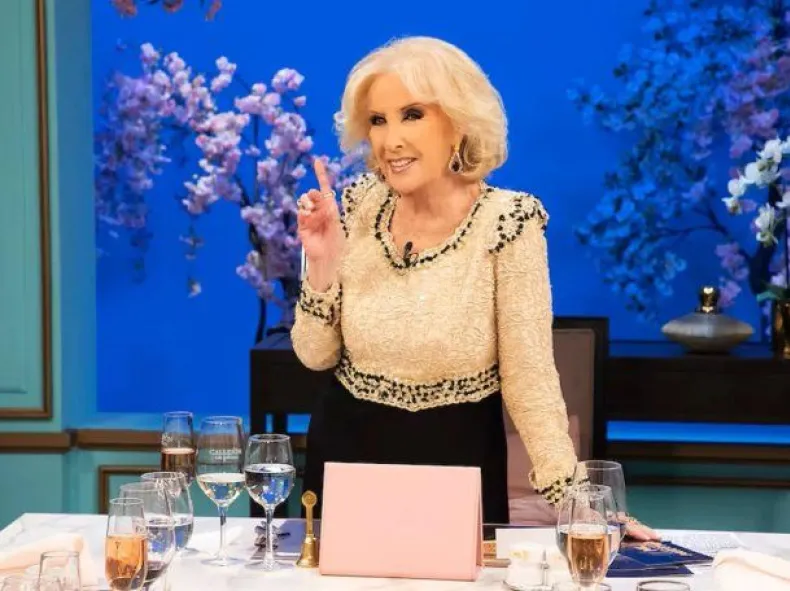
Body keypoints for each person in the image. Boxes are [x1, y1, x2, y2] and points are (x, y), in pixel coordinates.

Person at [291, 35, 657, 539]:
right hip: (345, 464)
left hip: (456, 467)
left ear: (458, 121)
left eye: (411, 115)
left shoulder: (507, 222)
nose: (390, 140)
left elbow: (530, 378)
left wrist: (580, 505)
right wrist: (322, 261)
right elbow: (314, 355)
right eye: (378, 120)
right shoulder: (355, 207)